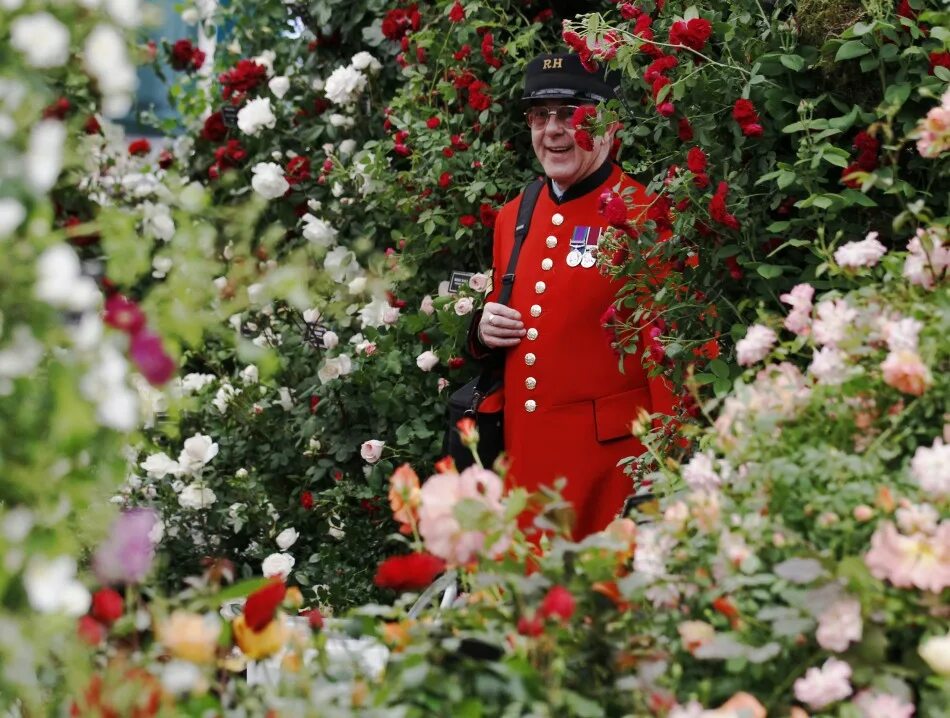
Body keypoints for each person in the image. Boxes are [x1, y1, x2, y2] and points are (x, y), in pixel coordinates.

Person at [467, 52, 674, 539]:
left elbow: (672, 357)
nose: (553, 130)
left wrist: (668, 470)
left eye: (570, 114)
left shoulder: (646, 213)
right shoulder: (514, 215)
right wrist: (481, 330)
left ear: (608, 122)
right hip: (528, 474)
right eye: (541, 116)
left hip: (613, 474)